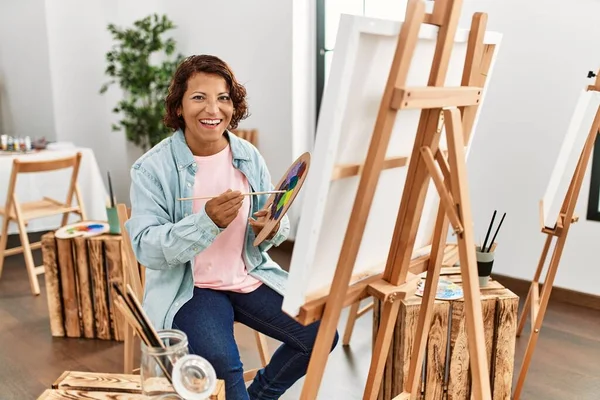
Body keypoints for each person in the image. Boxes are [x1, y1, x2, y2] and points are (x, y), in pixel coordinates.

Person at [125, 54, 339, 400]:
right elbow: (146, 247)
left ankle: (262, 394)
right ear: (178, 106)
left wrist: (268, 226)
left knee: (321, 332)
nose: (213, 109)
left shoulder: (247, 155)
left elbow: (266, 233)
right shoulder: (151, 169)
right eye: (199, 97)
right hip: (192, 288)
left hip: (246, 274)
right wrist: (205, 223)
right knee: (224, 364)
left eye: (223, 98)